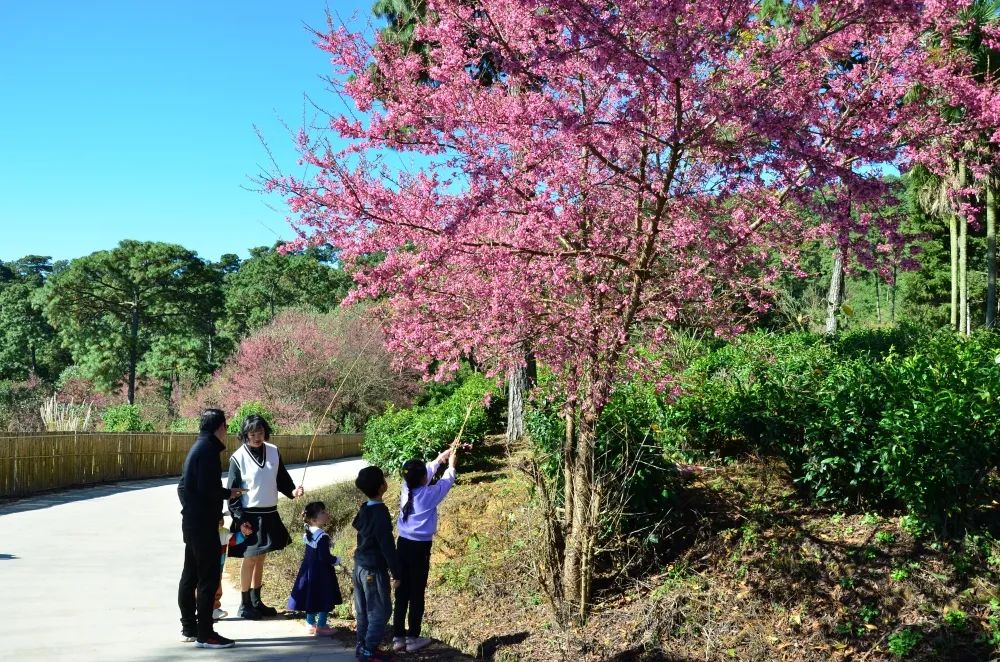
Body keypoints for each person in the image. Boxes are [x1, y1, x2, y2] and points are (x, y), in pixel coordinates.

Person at [177, 408, 244, 649]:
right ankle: (206, 634)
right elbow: (208, 489)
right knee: (208, 577)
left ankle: (189, 628)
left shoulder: (198, 447)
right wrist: (228, 494)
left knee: (191, 575)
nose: (226, 432)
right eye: (226, 427)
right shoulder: (208, 451)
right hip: (203, 525)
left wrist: (191, 509)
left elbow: (182, 487)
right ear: (220, 427)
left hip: (192, 522)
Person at [226, 414, 305, 619]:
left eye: (260, 432)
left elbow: (282, 478)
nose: (256, 437)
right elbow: (233, 493)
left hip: (270, 513)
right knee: (250, 558)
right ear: (245, 435)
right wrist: (240, 519)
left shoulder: (273, 451)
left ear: (265, 432)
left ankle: (256, 601)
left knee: (261, 558)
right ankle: (244, 604)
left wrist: (293, 491)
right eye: (252, 434)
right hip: (249, 516)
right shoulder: (238, 458)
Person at [392, 440, 460, 653]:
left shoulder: (407, 487)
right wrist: (452, 464)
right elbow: (446, 482)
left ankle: (398, 637)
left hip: (402, 544)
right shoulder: (427, 496)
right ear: (423, 479)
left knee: (402, 591)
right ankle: (413, 638)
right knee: (417, 591)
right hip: (419, 548)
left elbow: (426, 472)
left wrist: (442, 458)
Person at [352, 466, 402, 662]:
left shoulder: (365, 507)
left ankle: (362, 646)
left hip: (359, 567)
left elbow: (358, 525)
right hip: (373, 569)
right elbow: (387, 547)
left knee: (364, 610)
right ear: (382, 486)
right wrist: (396, 573)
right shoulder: (380, 513)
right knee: (381, 611)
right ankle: (368, 651)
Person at [287, 501, 344, 636]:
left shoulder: (309, 533)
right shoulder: (322, 536)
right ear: (313, 519)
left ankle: (310, 623)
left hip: (309, 571)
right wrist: (336, 560)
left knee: (312, 596)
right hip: (322, 573)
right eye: (323, 512)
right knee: (325, 596)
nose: (327, 514)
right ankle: (322, 625)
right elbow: (324, 557)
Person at [211, 515, 252, 620]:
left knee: (217, 589)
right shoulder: (202, 532)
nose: (220, 521)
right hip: (203, 566)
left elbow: (233, 540)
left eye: (221, 518)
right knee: (203, 588)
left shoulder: (224, 532)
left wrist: (243, 534)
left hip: (218, 567)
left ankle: (214, 610)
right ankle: (202, 609)